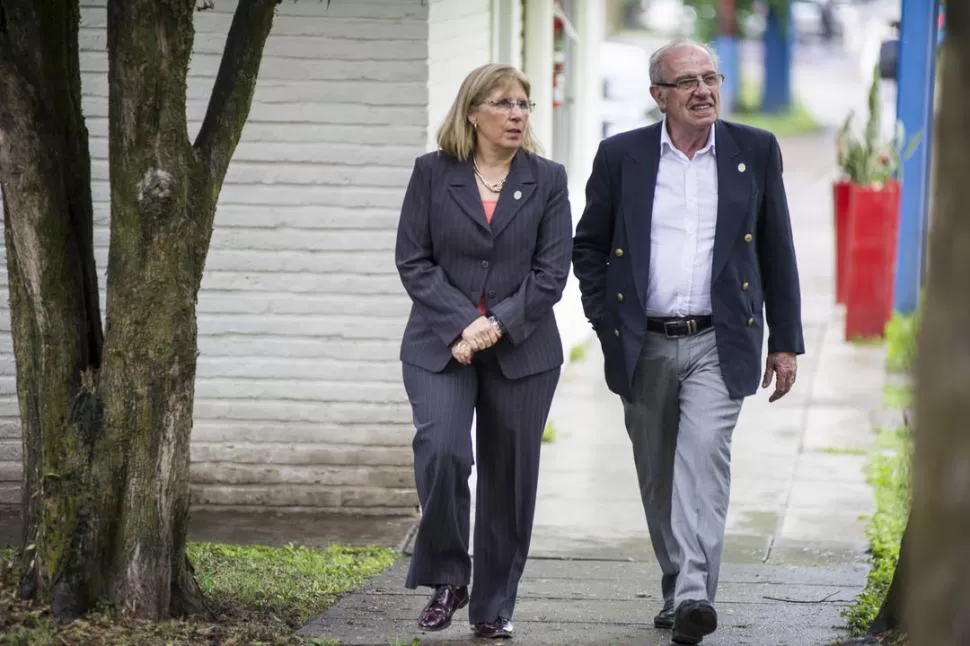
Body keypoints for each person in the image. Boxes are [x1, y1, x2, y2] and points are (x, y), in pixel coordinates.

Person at [572, 40, 804, 645]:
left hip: (718, 340)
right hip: (643, 341)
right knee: (656, 474)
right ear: (659, 96)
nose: (703, 90)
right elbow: (590, 246)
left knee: (703, 462)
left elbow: (777, 248)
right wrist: (605, 321)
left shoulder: (754, 149)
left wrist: (786, 341)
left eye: (711, 77)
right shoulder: (621, 155)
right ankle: (677, 586)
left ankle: (697, 592)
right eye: (686, 82)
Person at [394, 63, 573, 639]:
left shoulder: (547, 179)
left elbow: (552, 272)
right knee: (443, 452)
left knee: (509, 479)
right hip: (440, 346)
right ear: (472, 112)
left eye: (524, 104)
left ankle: (493, 607)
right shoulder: (431, 173)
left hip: (522, 349)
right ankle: (449, 575)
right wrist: (461, 325)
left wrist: (494, 324)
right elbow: (413, 260)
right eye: (504, 103)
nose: (518, 114)